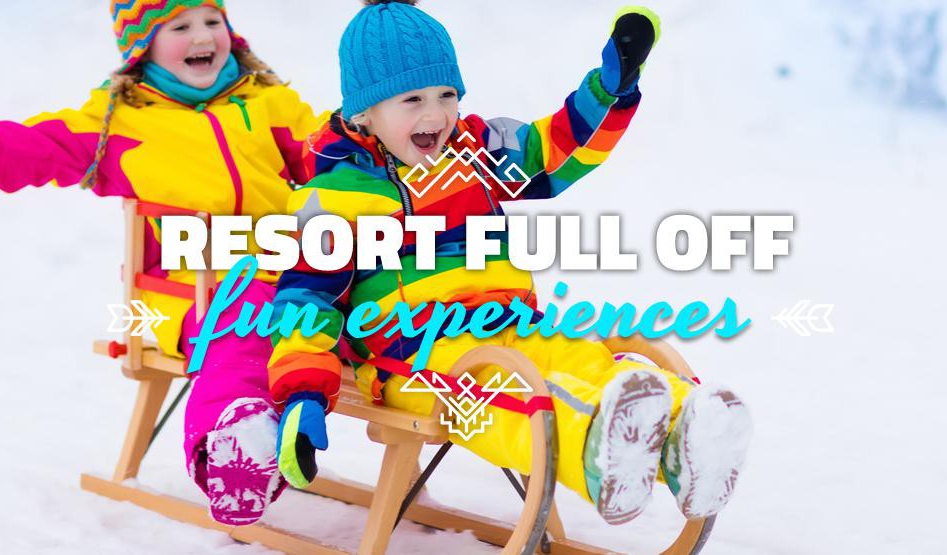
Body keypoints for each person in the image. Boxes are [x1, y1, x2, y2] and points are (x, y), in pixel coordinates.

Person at [0, 0, 328, 526]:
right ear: (142, 46)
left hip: (290, 274)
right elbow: (11, 149)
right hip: (188, 292)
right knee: (246, 314)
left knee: (349, 295)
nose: (202, 36)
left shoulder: (269, 103)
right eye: (180, 25)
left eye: (212, 21)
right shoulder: (118, 123)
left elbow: (337, 157)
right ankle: (234, 445)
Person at [267, 0, 752, 525]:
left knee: (580, 358)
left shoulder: (474, 152)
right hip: (415, 358)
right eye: (412, 100)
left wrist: (611, 90)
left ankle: (688, 432)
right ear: (365, 112)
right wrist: (303, 395)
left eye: (447, 95)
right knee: (499, 399)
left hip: (511, 323)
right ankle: (595, 445)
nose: (436, 115)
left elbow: (553, 151)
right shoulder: (334, 196)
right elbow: (306, 300)